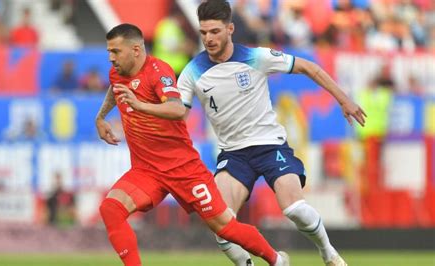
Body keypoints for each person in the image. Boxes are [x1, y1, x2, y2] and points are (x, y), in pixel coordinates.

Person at [177, 1, 367, 266]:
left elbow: (309, 67)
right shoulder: (191, 72)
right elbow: (178, 114)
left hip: (270, 146)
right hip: (233, 154)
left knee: (294, 209)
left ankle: (329, 253)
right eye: (204, 32)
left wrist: (344, 99)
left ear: (230, 29)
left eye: (215, 32)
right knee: (221, 227)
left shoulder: (256, 57)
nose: (209, 38)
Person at [95, 23, 290, 266]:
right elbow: (116, 89)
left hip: (183, 169)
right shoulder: (118, 72)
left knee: (225, 228)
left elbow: (177, 109)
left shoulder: (159, 72)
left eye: (115, 51)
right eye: (109, 51)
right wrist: (101, 116)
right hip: (147, 170)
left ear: (135, 50)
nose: (110, 58)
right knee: (111, 209)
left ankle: (276, 261)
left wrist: (140, 105)